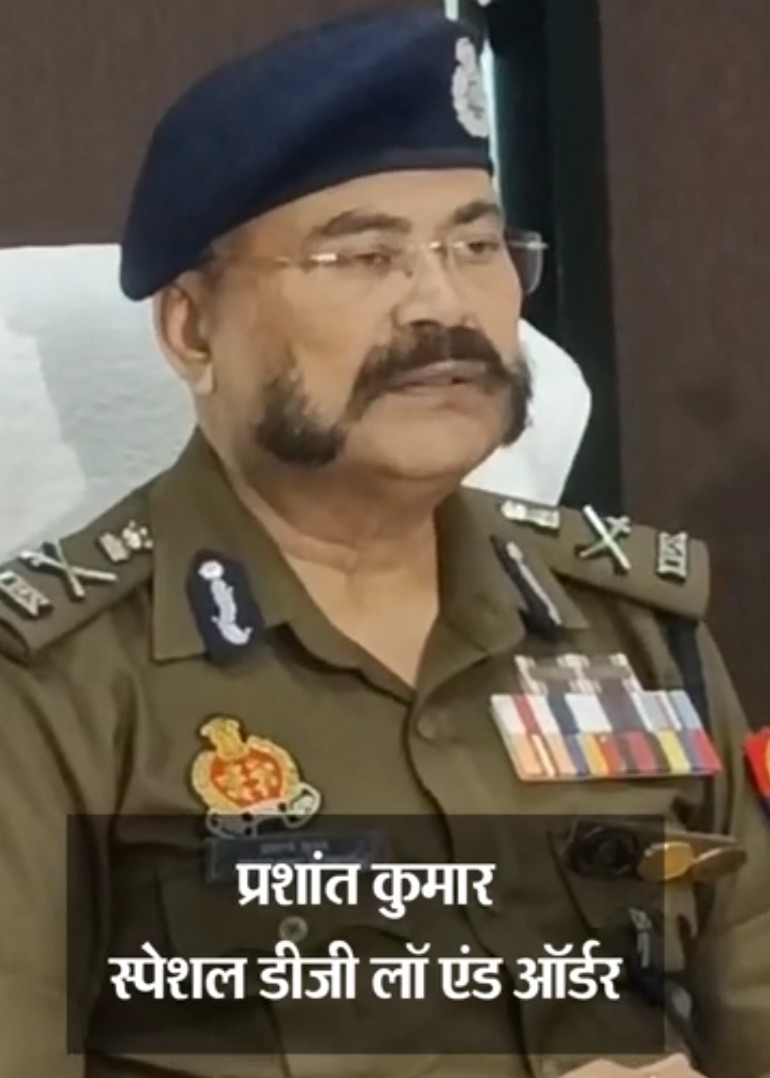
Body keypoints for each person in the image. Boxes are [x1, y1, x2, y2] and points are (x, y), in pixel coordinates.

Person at [0, 10, 766, 1078]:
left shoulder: (632, 630)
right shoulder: (55, 685)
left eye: (477, 246)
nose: (443, 305)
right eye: (364, 256)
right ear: (192, 329)